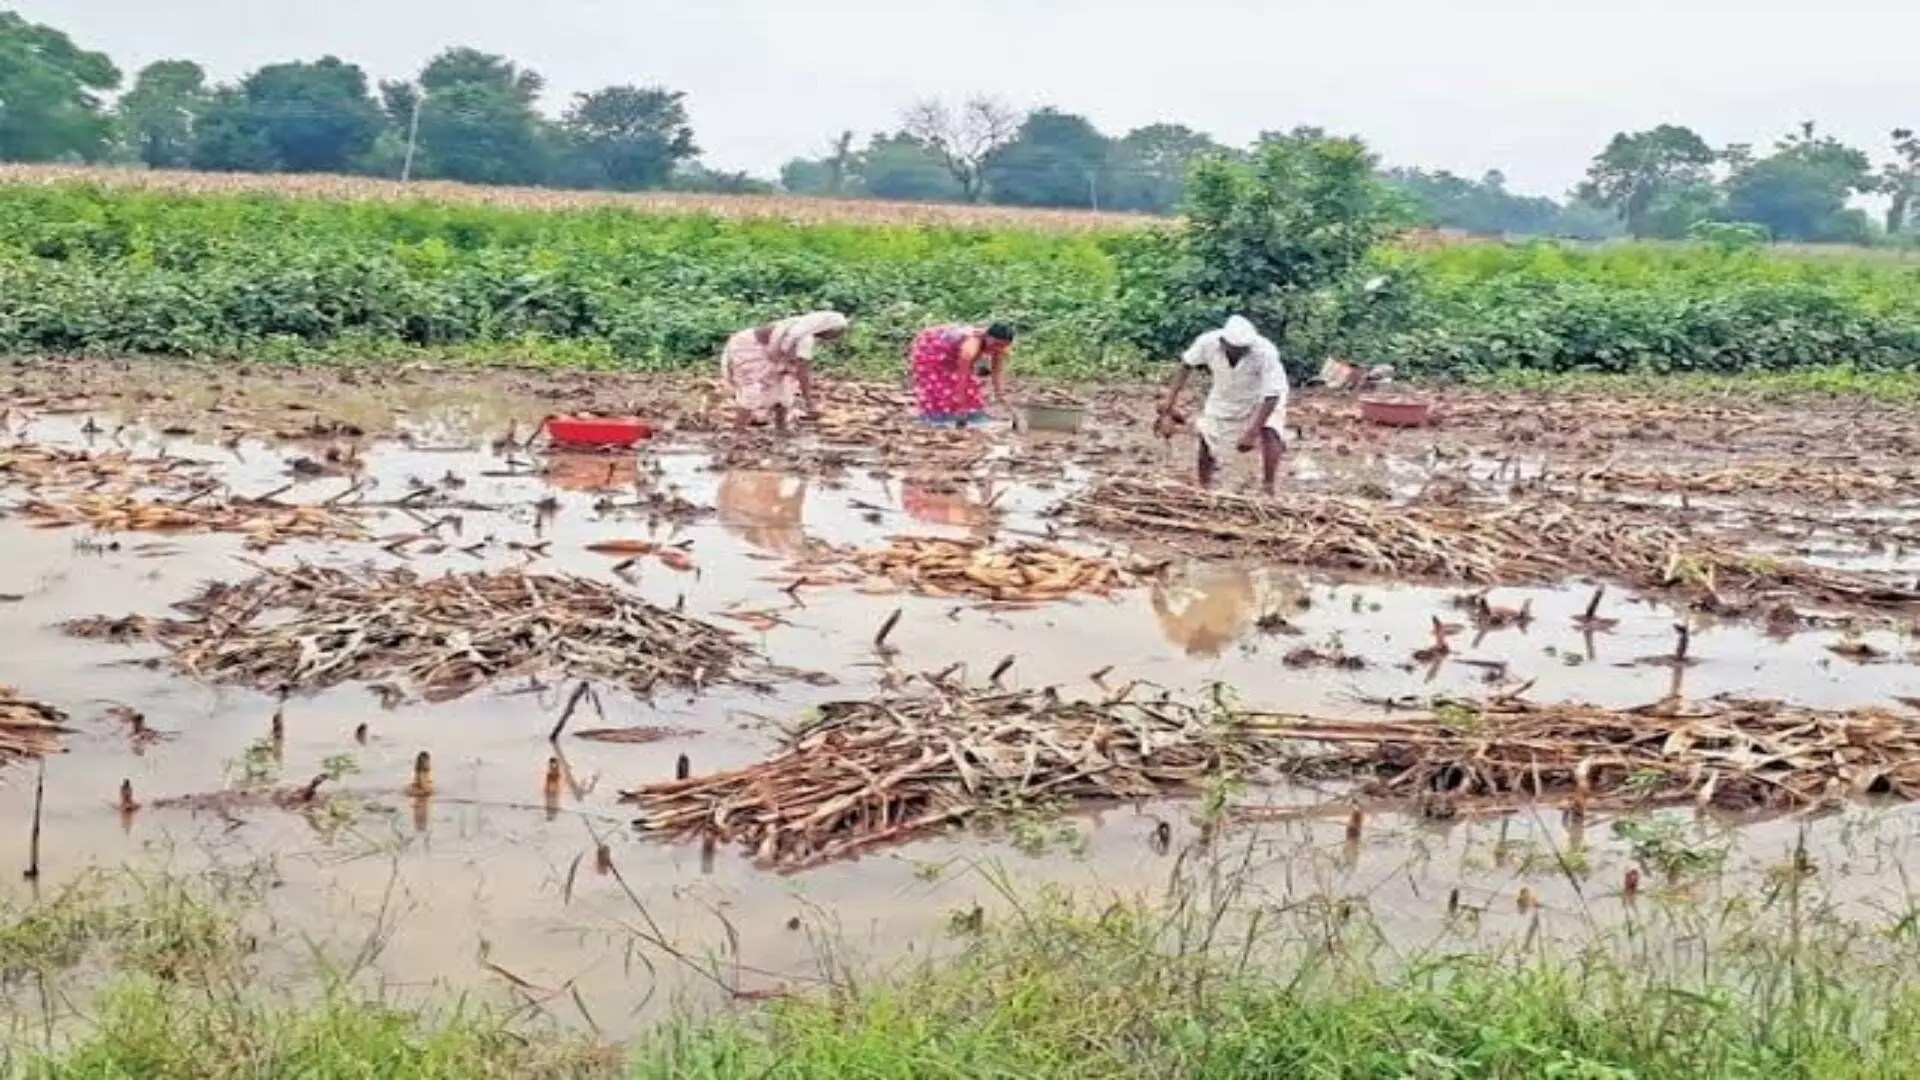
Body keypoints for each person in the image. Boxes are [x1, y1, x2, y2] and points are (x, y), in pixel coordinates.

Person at [1154, 315, 1288, 495]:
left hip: (1260, 396)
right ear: (1223, 342)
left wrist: (1252, 431)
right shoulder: (1207, 342)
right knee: (1208, 434)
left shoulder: (1265, 352)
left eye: (1243, 349)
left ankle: (1268, 485)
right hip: (1225, 394)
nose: (1240, 352)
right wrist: (1169, 404)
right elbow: (1186, 365)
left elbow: (1272, 395)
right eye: (1235, 348)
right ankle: (1204, 485)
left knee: (1271, 429)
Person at [720, 311, 848, 432]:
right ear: (825, 328)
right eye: (837, 332)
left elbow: (800, 368)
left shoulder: (800, 328)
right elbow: (803, 373)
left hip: (771, 354)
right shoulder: (803, 337)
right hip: (748, 347)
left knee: (783, 388)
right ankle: (738, 430)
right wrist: (809, 401)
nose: (837, 336)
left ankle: (781, 427)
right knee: (751, 390)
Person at [908, 322, 1015, 428]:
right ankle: (937, 417)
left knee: (970, 390)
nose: (998, 348)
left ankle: (969, 415)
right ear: (987, 336)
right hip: (932, 349)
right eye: (996, 344)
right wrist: (961, 406)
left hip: (954, 351)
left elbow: (997, 371)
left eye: (1002, 346)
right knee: (942, 385)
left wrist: (1000, 394)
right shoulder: (970, 347)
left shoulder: (999, 347)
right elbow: (962, 377)